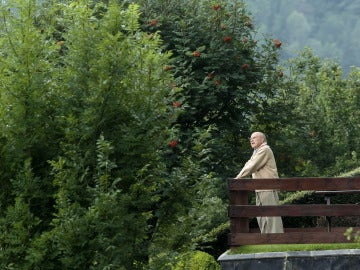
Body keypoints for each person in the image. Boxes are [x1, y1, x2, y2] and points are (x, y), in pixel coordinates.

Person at [235, 131, 284, 234]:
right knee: (261, 216)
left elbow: (252, 166)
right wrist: (239, 177)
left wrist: (238, 178)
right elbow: (248, 164)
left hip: (268, 187)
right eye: (250, 138)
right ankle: (266, 239)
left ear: (262, 140)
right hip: (260, 187)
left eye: (254, 138)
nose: (251, 140)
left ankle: (277, 239)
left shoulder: (265, 149)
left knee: (271, 216)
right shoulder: (257, 152)